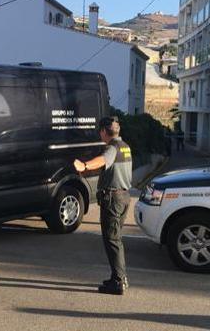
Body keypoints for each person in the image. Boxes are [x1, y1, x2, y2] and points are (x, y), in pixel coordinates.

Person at [74, 117, 132, 295]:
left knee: (112, 240)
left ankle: (118, 282)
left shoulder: (112, 148)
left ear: (104, 132)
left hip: (113, 200)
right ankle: (121, 277)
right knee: (116, 240)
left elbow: (102, 160)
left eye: (100, 131)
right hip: (124, 197)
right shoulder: (125, 146)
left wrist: (84, 166)